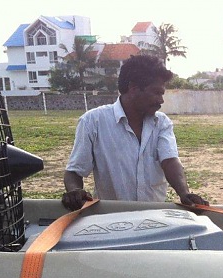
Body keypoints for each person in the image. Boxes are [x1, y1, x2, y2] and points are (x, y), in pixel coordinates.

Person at [62, 55, 207, 211]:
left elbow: (170, 161)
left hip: (154, 219)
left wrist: (184, 193)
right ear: (133, 88)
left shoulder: (162, 123)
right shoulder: (93, 122)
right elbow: (74, 172)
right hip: (111, 220)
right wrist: (74, 191)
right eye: (156, 92)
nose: (161, 100)